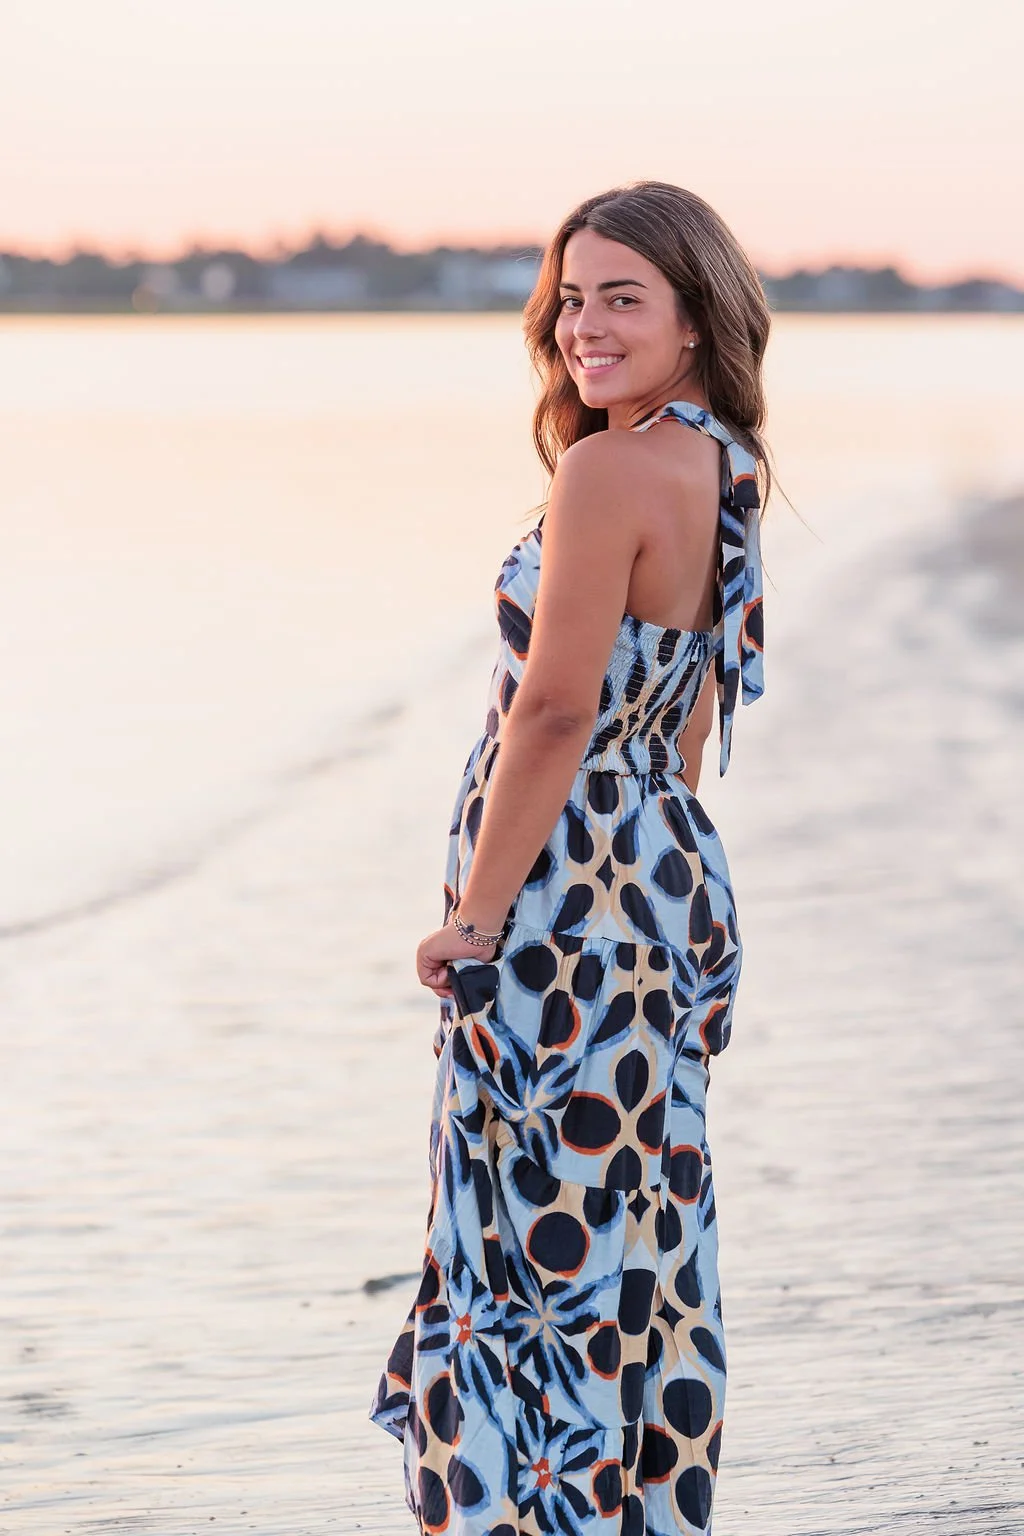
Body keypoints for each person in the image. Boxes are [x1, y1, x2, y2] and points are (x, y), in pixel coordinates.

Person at [370, 179, 772, 1536]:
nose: (581, 326)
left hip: (560, 904)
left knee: (530, 1236)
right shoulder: (720, 460)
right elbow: (690, 717)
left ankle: (524, 1511)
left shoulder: (609, 469)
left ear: (696, 319)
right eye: (571, 296)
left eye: (621, 298)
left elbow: (552, 712)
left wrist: (475, 919)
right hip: (658, 887)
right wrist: (656, 880)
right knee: (629, 1226)